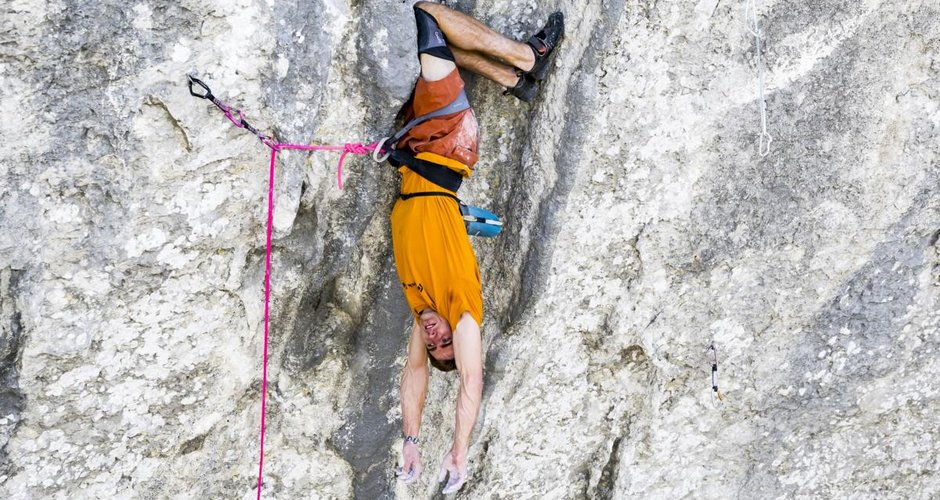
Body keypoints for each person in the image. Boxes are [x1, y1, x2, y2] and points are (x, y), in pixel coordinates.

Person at [390, 1, 563, 494]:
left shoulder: (420, 305)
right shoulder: (460, 312)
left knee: (432, 39)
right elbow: (470, 383)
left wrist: (410, 438)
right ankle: (526, 59)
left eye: (433, 345)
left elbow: (414, 376)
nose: (435, 337)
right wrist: (458, 450)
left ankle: (515, 83)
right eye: (446, 343)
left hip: (418, 149)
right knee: (426, 15)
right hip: (445, 144)